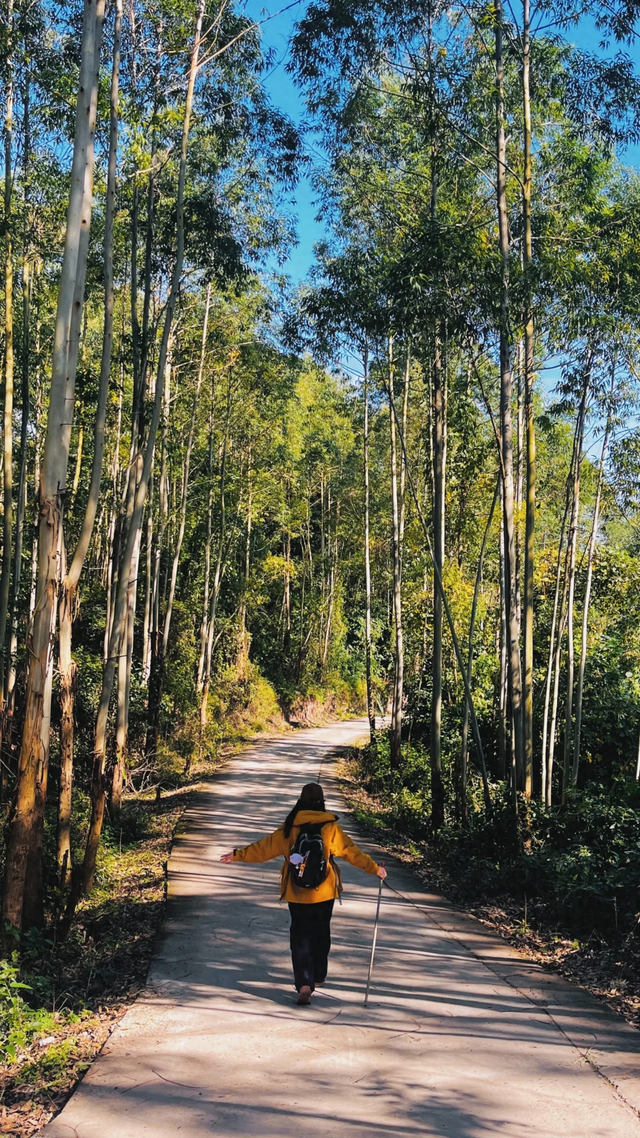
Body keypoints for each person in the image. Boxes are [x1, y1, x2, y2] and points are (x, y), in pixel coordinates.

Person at [220, 782, 387, 1005]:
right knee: (321, 933)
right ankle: (318, 975)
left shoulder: (290, 827)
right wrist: (375, 868)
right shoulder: (330, 828)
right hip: (324, 892)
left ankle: (304, 983)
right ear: (322, 802)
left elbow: (263, 848)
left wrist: (238, 855)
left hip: (297, 892)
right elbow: (351, 852)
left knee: (300, 937)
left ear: (300, 801)